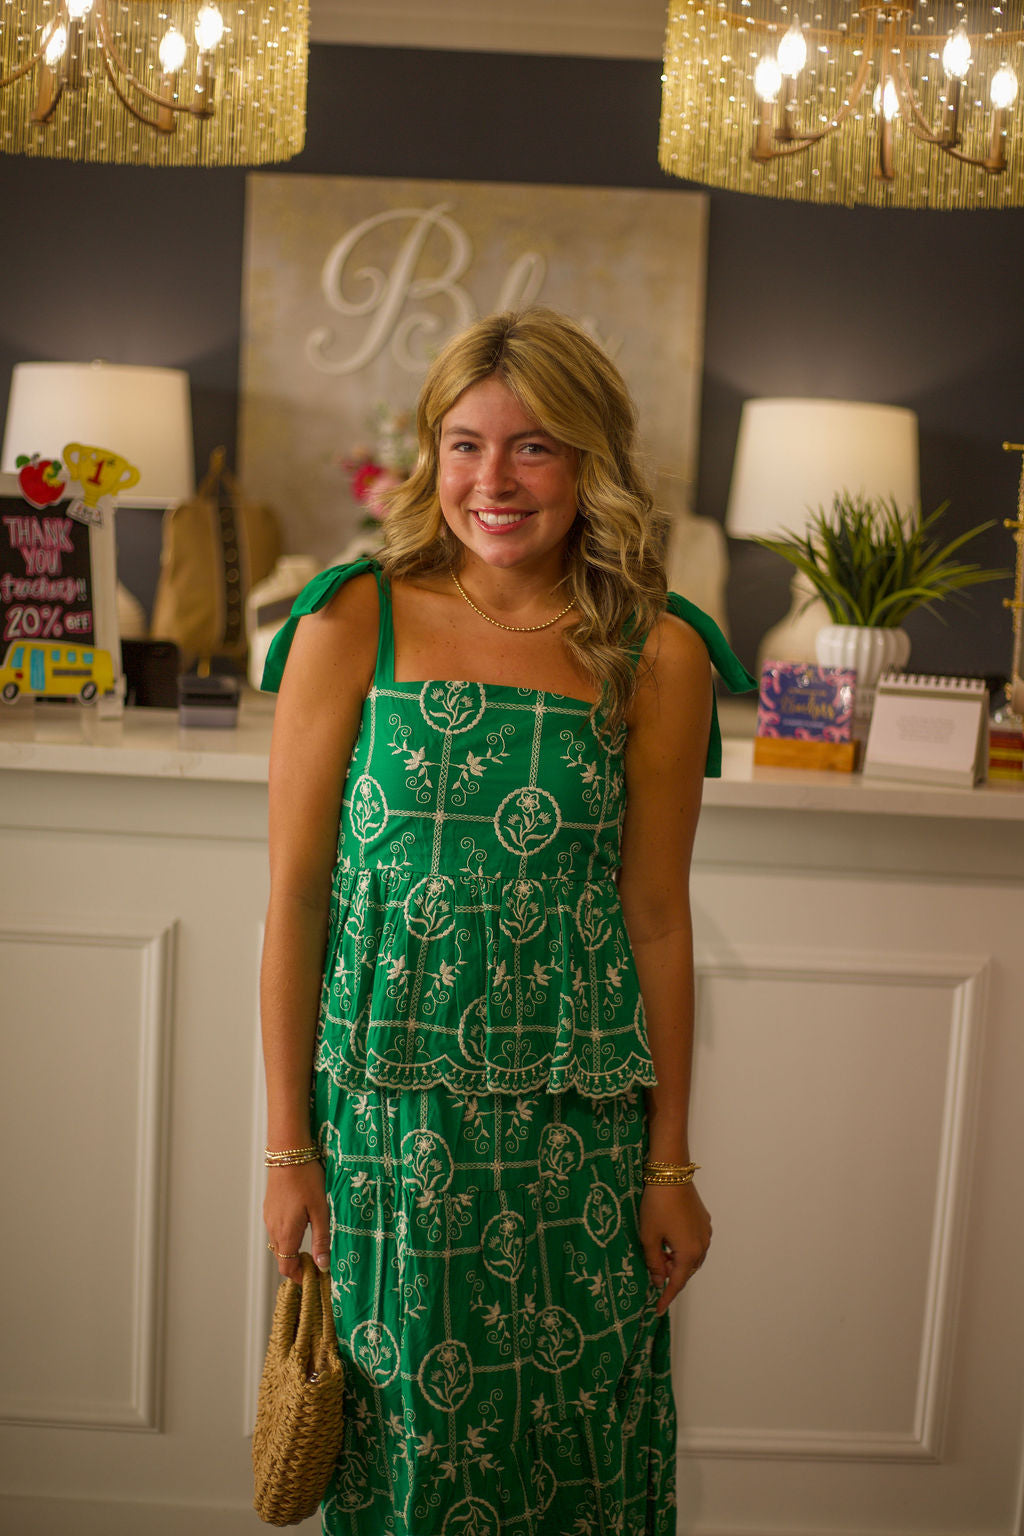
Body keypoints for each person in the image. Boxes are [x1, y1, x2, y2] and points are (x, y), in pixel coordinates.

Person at [259, 307, 754, 1535]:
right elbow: (299, 895)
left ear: (591, 461)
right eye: (465, 444)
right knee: (410, 1448)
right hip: (389, 1123)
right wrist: (287, 1147)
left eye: (533, 447)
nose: (494, 480)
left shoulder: (658, 651)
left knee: (575, 1436)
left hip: (577, 1126)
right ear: (431, 455)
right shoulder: (350, 620)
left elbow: (655, 917)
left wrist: (670, 1164)